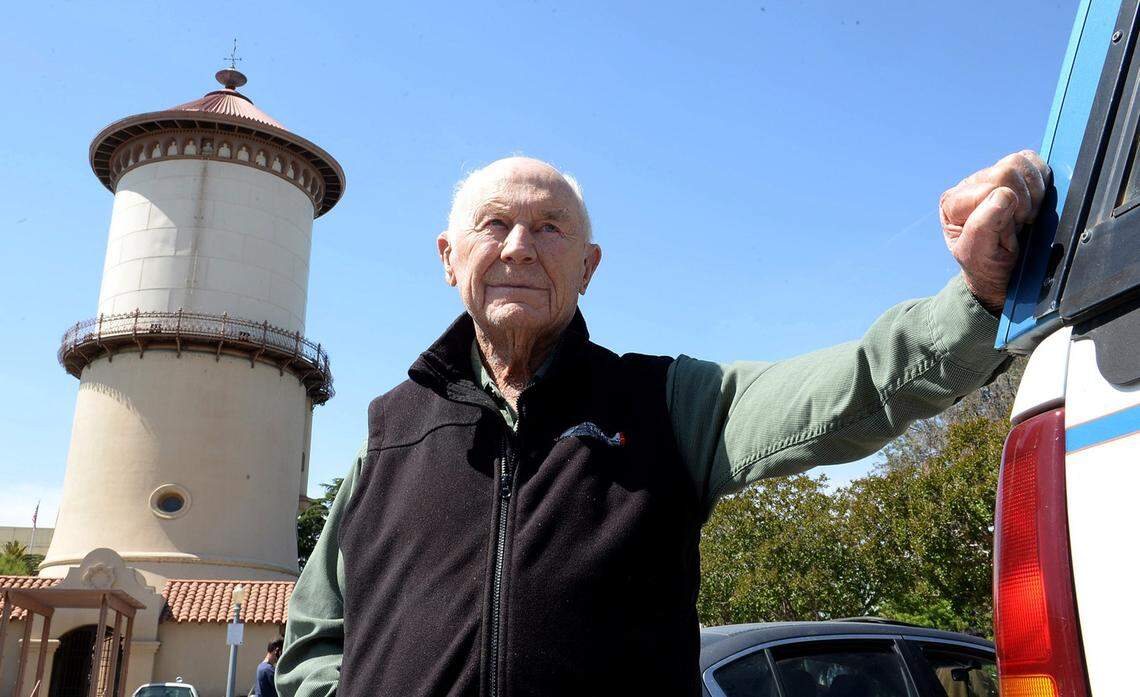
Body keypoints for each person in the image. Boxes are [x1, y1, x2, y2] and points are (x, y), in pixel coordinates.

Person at [277, 152, 1050, 696]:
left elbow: (857, 384)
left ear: (588, 267)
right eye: (495, 223)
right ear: (450, 257)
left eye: (549, 228)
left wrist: (976, 301)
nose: (518, 246)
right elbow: (315, 639)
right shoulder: (389, 432)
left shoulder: (665, 401)